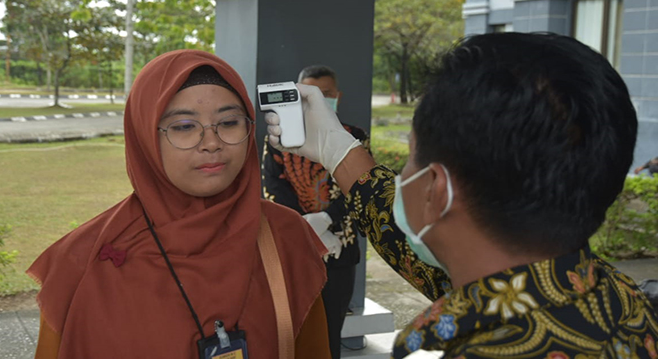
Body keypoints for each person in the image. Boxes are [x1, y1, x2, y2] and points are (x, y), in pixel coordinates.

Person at [266, 33, 658, 358]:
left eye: (409, 159)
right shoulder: (623, 302)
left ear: (436, 189)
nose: (402, 175)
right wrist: (338, 151)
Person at [28, 50, 332, 359]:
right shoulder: (81, 261)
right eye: (184, 126)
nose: (212, 142)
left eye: (228, 122)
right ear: (145, 137)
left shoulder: (286, 236)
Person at [262, 65, 369, 359]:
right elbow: (272, 186)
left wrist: (326, 219)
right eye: (309, 94)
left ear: (338, 96)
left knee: (330, 329)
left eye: (325, 94)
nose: (318, 100)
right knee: (294, 329)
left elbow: (359, 188)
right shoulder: (279, 140)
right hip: (294, 248)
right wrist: (304, 225)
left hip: (340, 249)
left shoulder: (354, 138)